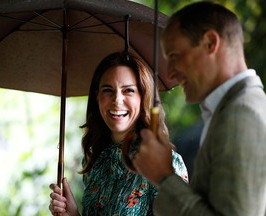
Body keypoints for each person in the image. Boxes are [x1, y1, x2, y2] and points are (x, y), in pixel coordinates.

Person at [132, 2, 266, 216]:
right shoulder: (238, 111)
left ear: (210, 42)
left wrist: (164, 177)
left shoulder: (243, 117)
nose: (170, 74)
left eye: (175, 57)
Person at [48, 51, 188, 215]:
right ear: (97, 96)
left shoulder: (166, 164)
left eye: (128, 90)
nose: (117, 100)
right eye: (108, 90)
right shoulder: (96, 163)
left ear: (143, 97)